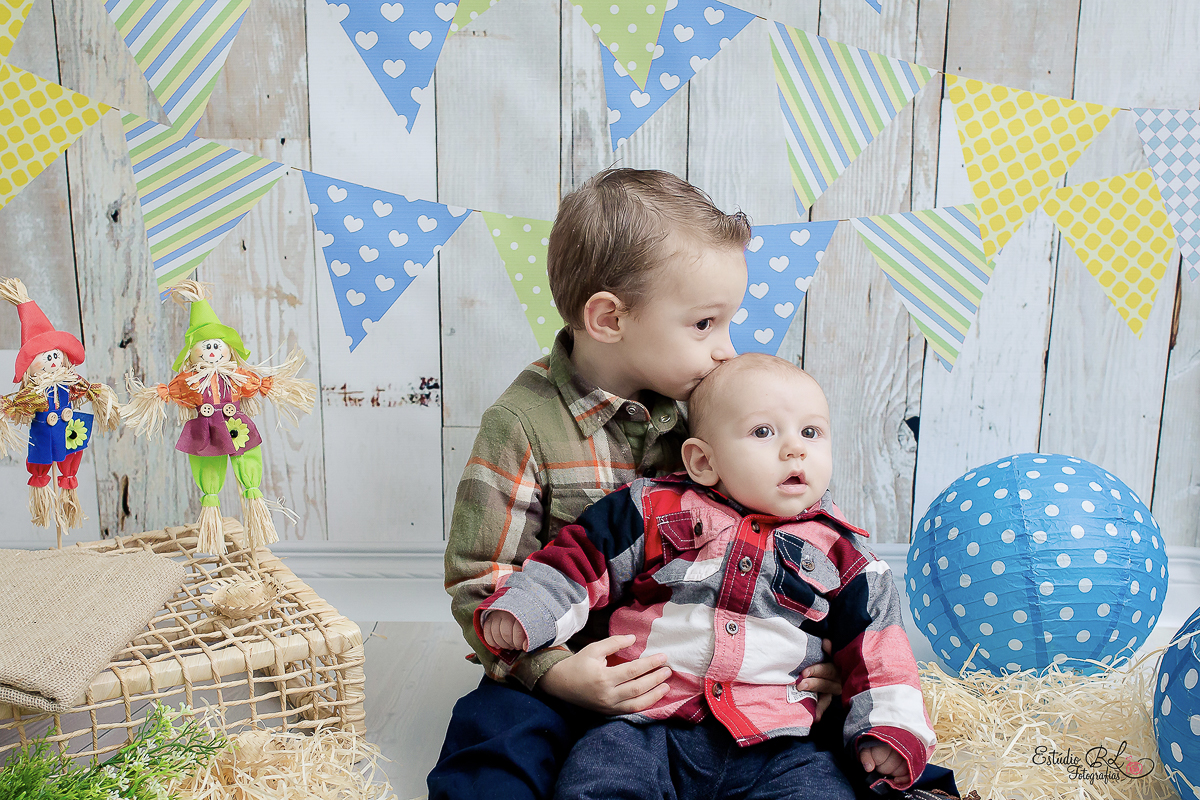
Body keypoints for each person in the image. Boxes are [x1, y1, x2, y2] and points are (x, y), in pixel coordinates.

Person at [428, 170, 844, 800]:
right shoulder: (522, 426)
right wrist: (554, 674)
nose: (726, 350)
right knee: (495, 733)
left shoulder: (718, 409)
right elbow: (482, 579)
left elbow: (795, 523)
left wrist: (819, 651)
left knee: (836, 741)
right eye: (704, 324)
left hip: (696, 667)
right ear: (609, 318)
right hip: (575, 660)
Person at [477, 353, 937, 800]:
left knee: (823, 788)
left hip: (777, 740)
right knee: (596, 777)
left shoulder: (845, 554)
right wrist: (529, 608)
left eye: (811, 432)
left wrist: (891, 727)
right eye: (763, 431)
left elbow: (881, 647)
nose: (795, 448)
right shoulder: (654, 508)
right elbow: (580, 561)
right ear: (703, 461)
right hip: (649, 722)